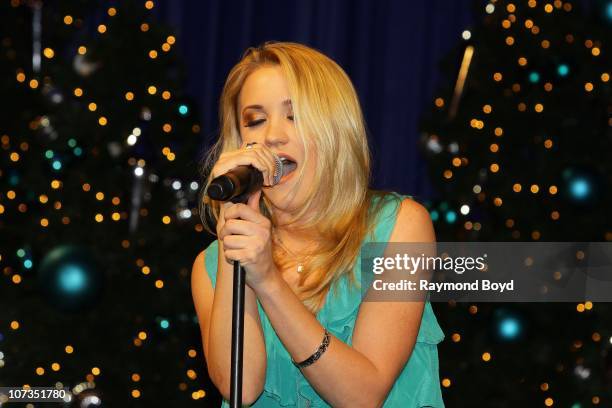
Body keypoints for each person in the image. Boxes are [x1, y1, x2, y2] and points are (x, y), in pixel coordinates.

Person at [191, 41, 445, 407]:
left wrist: (268, 281)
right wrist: (237, 224)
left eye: (294, 116)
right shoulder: (212, 266)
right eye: (256, 120)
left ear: (334, 130)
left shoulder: (399, 227)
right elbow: (241, 389)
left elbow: (363, 395)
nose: (272, 135)